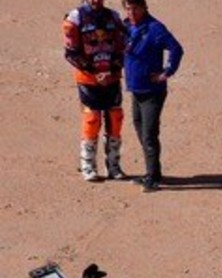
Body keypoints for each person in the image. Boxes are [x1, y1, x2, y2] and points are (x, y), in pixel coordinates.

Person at [122, 0, 184, 193]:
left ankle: (154, 177)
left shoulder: (155, 28)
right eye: (128, 8)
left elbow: (176, 49)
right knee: (140, 129)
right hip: (136, 89)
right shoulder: (126, 27)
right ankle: (152, 171)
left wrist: (166, 73)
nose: (131, 12)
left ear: (143, 7)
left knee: (149, 134)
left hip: (153, 92)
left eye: (135, 8)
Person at [63, 0, 127, 182]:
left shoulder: (113, 17)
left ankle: (113, 165)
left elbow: (123, 47)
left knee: (116, 117)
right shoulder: (75, 18)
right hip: (88, 79)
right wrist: (93, 71)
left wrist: (112, 69)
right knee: (92, 118)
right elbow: (71, 53)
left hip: (112, 77)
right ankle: (88, 166)